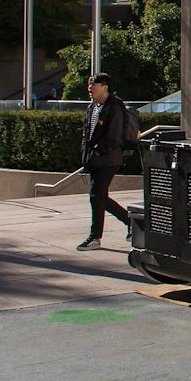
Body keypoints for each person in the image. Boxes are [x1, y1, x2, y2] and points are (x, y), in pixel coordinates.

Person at [76, 73, 136, 251]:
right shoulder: (92, 107)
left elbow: (113, 136)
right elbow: (87, 133)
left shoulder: (115, 107)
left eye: (93, 84)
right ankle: (131, 222)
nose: (90, 88)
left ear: (105, 86)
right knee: (99, 197)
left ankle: (95, 237)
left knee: (97, 196)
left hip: (108, 159)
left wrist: (97, 152)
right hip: (95, 159)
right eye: (89, 84)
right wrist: (86, 154)